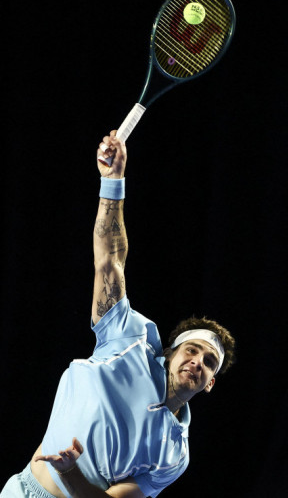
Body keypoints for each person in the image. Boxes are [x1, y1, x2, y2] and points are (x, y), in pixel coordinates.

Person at [1, 132, 236, 498]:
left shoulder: (175, 455)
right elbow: (109, 261)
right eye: (191, 349)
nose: (198, 361)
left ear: (209, 383)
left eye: (209, 362)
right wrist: (113, 181)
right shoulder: (129, 337)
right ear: (169, 352)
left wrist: (72, 473)